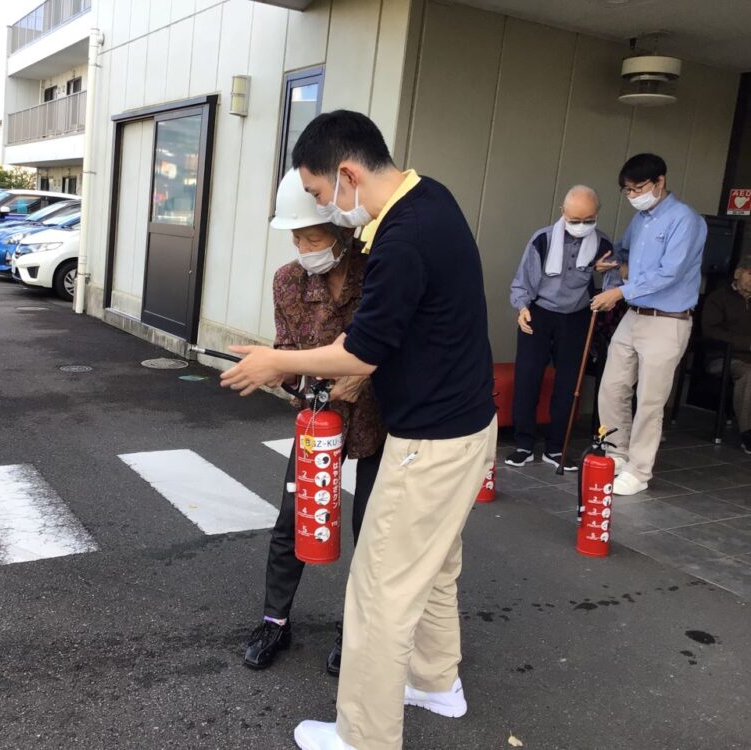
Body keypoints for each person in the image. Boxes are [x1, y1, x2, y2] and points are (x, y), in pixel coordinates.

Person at [220, 110, 496, 750]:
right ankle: (434, 683)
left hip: (431, 439)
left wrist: (276, 362)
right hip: (464, 424)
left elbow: (362, 352)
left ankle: (363, 737)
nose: (324, 210)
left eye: (319, 195)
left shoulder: (402, 237)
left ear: (346, 175)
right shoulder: (432, 198)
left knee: (379, 591)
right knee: (436, 568)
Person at [244, 169, 386, 675]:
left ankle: (358, 631)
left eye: (314, 237)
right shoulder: (287, 281)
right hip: (317, 419)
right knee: (294, 520)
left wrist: (362, 377)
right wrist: (291, 379)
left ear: (344, 234)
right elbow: (285, 354)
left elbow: (394, 345)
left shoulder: (378, 274)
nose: (304, 247)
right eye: (296, 237)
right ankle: (274, 621)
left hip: (378, 418)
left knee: (372, 531)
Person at [591, 153, 708, 495]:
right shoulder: (641, 218)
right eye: (627, 191)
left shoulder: (684, 220)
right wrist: (611, 263)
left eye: (637, 188)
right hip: (635, 314)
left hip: (667, 320)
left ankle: (639, 471)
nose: (633, 196)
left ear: (660, 181)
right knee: (612, 386)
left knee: (650, 399)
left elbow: (669, 274)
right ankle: (615, 453)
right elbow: (623, 251)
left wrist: (619, 290)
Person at [507, 185, 614, 470]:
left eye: (588, 219)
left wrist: (606, 289)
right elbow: (523, 279)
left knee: (569, 383)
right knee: (528, 378)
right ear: (563, 213)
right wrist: (522, 308)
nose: (581, 226)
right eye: (575, 219)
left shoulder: (602, 244)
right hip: (538, 312)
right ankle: (523, 444)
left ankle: (556, 447)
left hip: (576, 315)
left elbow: (614, 284)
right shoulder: (542, 238)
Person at [701, 260, 751, 453]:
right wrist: (746, 343)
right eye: (750, 274)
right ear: (738, 273)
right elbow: (711, 331)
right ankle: (748, 433)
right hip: (723, 357)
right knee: (748, 374)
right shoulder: (719, 297)